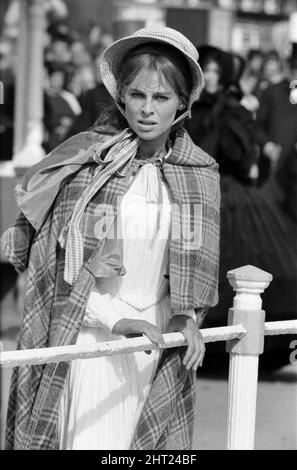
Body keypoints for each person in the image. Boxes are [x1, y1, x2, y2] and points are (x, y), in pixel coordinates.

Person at [0, 26, 220, 450]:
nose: (148, 109)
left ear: (183, 103)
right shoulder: (90, 162)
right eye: (138, 95)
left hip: (159, 343)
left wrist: (186, 316)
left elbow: (194, 261)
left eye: (161, 98)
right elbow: (54, 265)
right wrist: (109, 314)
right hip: (91, 338)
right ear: (121, 96)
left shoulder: (198, 175)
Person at [186, 45, 297, 370]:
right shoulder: (190, 109)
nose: (215, 78)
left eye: (219, 72)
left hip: (231, 195)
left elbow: (243, 156)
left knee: (246, 264)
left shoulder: (232, 110)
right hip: (195, 191)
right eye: (210, 72)